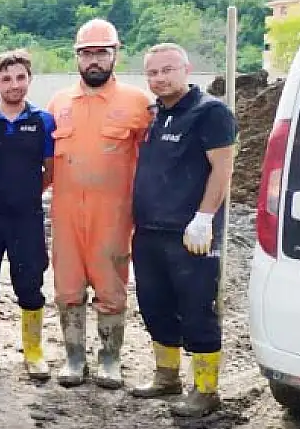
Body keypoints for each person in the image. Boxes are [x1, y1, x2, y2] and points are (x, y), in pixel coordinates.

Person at [129, 43, 236, 417]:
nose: (159, 78)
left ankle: (206, 390)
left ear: (186, 69)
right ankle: (166, 376)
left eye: (167, 70)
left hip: (190, 233)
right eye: (153, 73)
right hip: (148, 230)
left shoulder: (211, 113)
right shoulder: (154, 115)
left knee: (196, 309)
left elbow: (222, 170)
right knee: (155, 305)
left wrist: (205, 217)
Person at [46, 19, 152, 389]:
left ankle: (110, 359)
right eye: (87, 53)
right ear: (76, 57)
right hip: (66, 214)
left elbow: (154, 162)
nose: (94, 61)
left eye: (101, 53)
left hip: (114, 215)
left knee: (111, 287)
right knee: (68, 288)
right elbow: (45, 163)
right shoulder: (59, 104)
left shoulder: (138, 104)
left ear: (115, 55)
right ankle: (74, 358)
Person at [0, 50, 54, 381]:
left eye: (20, 77)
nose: (14, 84)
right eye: (6, 78)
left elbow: (51, 170)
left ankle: (33, 351)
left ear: (30, 80)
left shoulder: (43, 121)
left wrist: (26, 194)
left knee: (30, 283)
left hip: (27, 218)